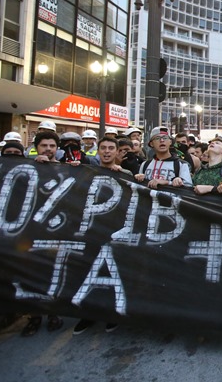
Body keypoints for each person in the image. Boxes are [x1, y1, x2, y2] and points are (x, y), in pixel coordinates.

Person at [72, 136, 126, 336]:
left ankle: (113, 314)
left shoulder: (125, 173)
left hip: (114, 231)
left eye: (111, 148)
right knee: (86, 270)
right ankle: (88, 313)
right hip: (88, 230)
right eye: (103, 148)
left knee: (114, 273)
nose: (106, 151)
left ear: (117, 151)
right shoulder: (84, 172)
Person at [24, 131, 65, 336]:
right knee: (30, 274)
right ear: (36, 147)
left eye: (52, 146)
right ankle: (34, 316)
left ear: (57, 149)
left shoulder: (67, 169)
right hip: (30, 230)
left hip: (57, 231)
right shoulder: (27, 167)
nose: (48, 149)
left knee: (53, 273)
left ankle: (53, 313)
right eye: (44, 146)